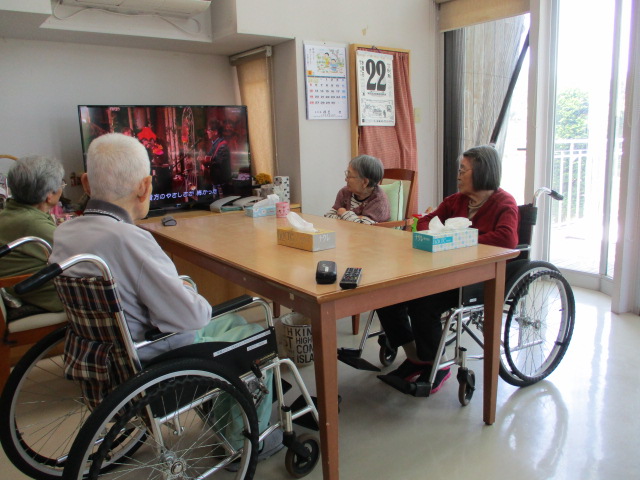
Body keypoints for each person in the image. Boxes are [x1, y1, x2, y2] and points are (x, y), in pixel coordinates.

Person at [49, 133, 282, 457]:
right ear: (145, 186)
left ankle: (224, 418)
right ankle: (242, 443)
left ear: (86, 183)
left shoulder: (64, 233)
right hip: (158, 358)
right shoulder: (131, 240)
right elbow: (193, 317)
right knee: (254, 336)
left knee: (237, 323)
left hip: (106, 360)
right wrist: (189, 290)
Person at [376, 145, 519, 396]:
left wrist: (460, 238)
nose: (458, 175)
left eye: (463, 170)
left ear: (482, 172)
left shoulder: (504, 202)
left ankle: (438, 366)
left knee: (423, 304)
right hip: (444, 271)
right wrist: (436, 231)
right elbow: (424, 221)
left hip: (478, 279)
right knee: (387, 295)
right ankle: (417, 357)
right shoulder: (456, 201)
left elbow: (507, 239)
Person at [0, 156, 65, 313]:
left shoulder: (10, 213)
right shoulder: (31, 223)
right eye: (61, 184)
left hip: (24, 289)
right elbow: (81, 254)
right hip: (46, 296)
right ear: (49, 195)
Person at [324, 154, 390, 224]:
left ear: (365, 182)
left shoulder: (379, 201)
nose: (346, 179)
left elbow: (364, 227)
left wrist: (344, 213)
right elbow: (328, 216)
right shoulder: (344, 192)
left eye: (349, 176)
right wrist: (356, 218)